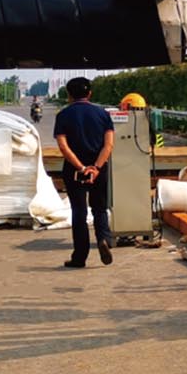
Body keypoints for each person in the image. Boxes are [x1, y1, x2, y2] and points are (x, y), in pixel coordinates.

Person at [54, 77, 115, 268]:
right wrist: (96, 167)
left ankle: (80, 257)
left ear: (69, 95)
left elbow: (63, 146)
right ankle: (104, 239)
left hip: (74, 171)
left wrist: (81, 168)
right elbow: (109, 145)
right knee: (99, 208)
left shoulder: (63, 115)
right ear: (89, 93)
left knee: (79, 212)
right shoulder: (103, 114)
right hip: (99, 170)